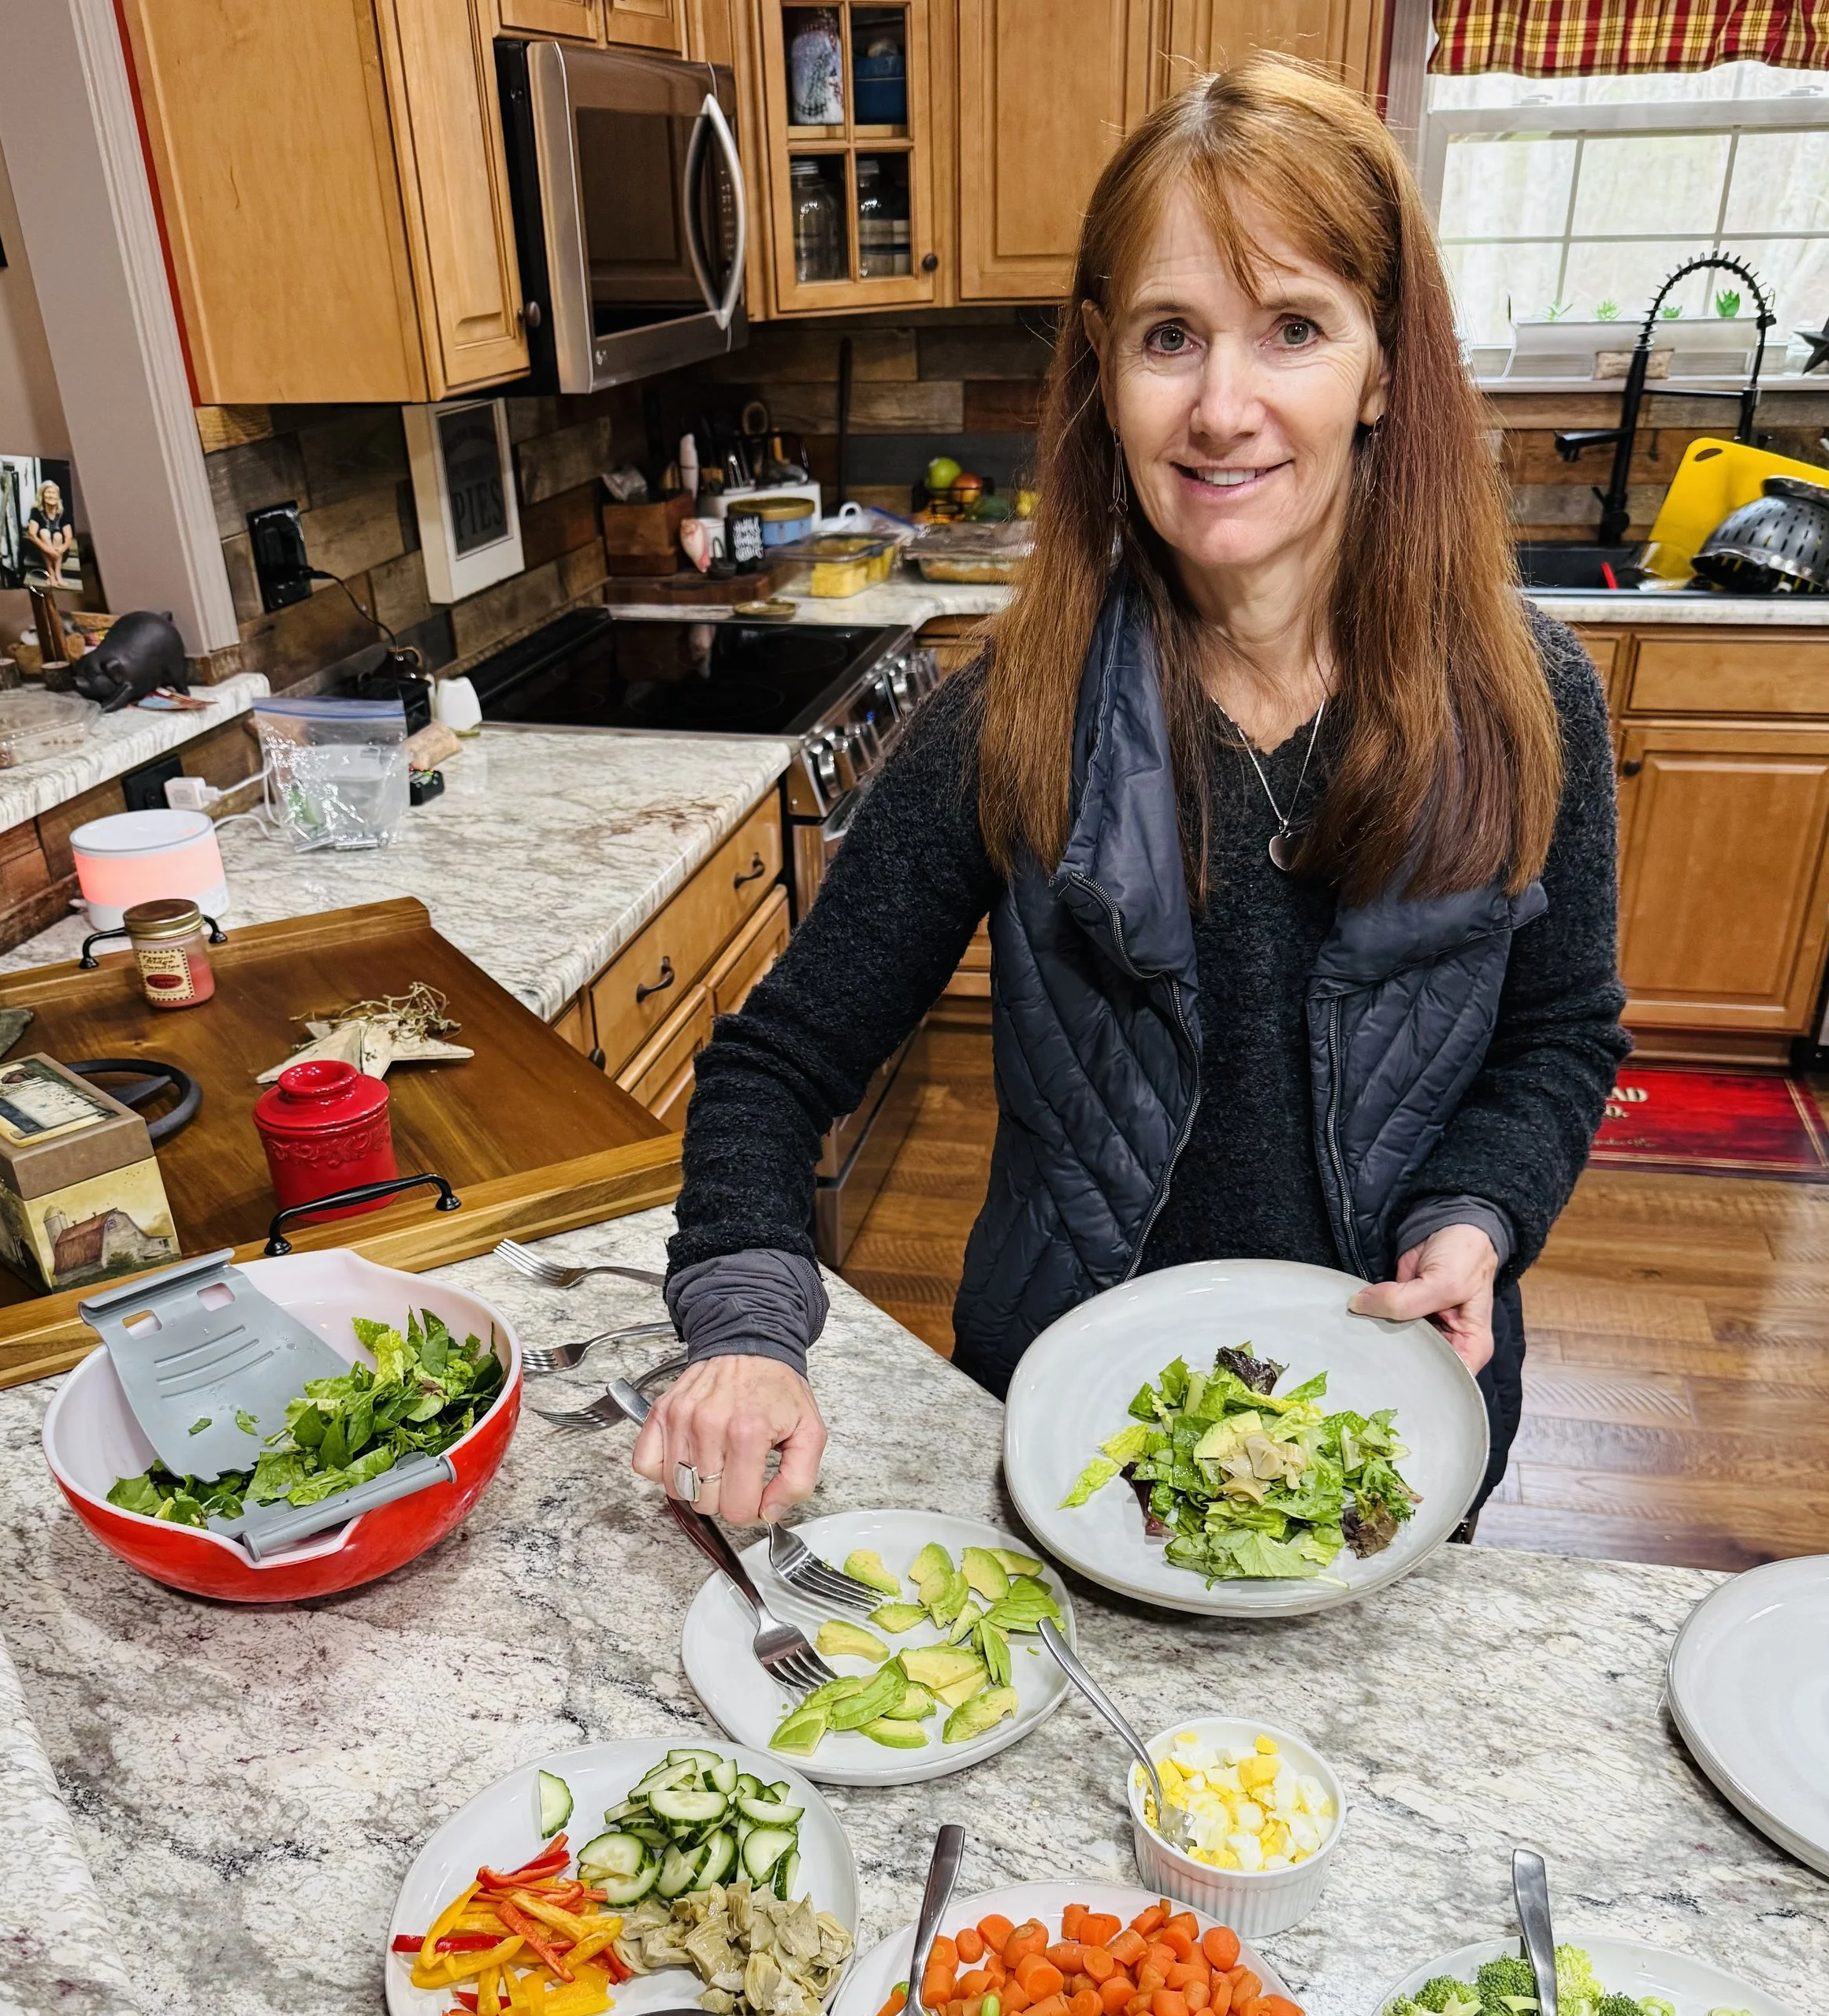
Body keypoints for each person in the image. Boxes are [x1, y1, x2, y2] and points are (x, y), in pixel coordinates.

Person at [633, 58, 1629, 1529]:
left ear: (1384, 365)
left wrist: (1477, 1212)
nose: (1223, 408)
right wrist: (746, 1332)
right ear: (1103, 370)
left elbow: (1559, 1035)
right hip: (1074, 1441)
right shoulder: (1012, 716)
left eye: (1294, 329)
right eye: (1171, 337)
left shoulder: (1528, 699)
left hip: (1398, 1428)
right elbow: (776, 1065)